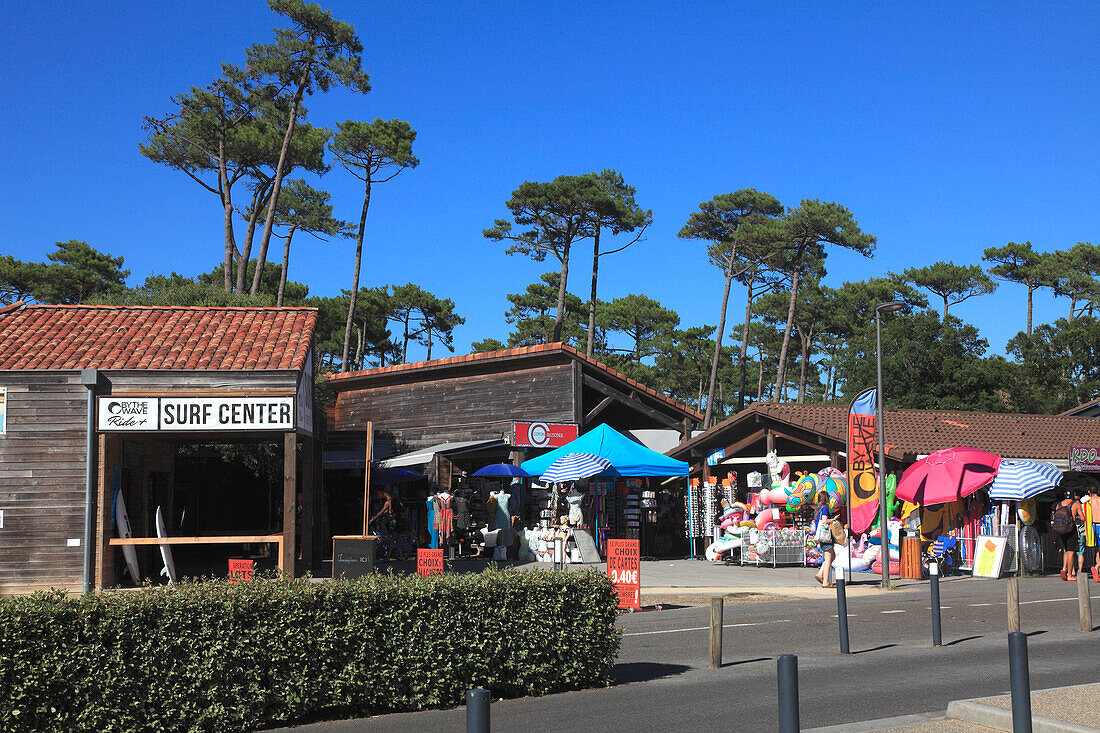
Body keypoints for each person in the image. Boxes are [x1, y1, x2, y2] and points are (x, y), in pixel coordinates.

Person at [1053, 492, 1078, 581]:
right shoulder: (1075, 504)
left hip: (1061, 530)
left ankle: (1064, 568)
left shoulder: (1058, 504)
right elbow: (1082, 518)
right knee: (1071, 552)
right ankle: (1070, 574)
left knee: (1066, 550)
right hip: (1071, 530)